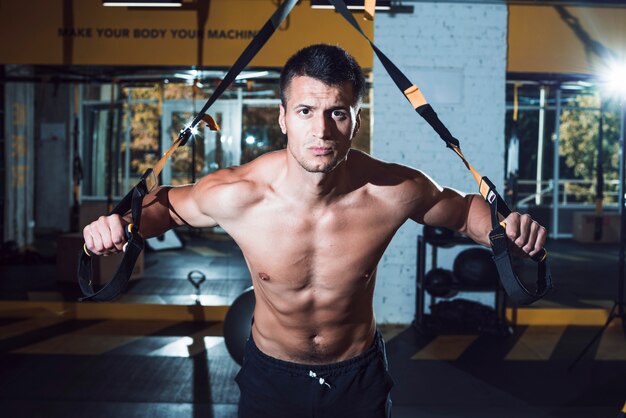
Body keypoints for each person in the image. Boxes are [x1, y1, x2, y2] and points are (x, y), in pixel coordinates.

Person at [83, 44, 547, 418]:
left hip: (358, 380)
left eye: (337, 112)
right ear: (284, 118)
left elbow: (466, 213)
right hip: (271, 381)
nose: (321, 129)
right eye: (305, 111)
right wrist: (118, 225)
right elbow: (167, 208)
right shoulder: (239, 193)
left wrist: (508, 230)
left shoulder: (393, 190)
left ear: (356, 122)